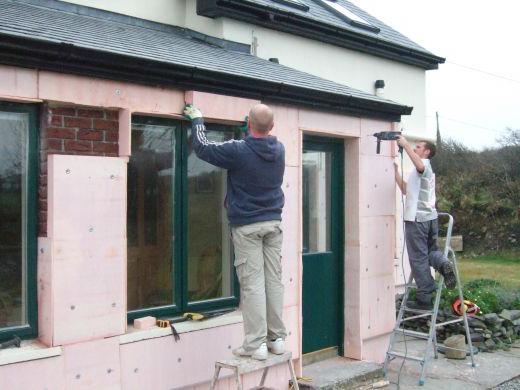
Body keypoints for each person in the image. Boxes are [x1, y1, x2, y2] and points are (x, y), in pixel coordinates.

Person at [183, 103, 286, 360]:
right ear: (272, 127)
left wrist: (197, 121)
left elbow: (203, 147)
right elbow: (257, 146)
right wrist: (250, 130)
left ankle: (255, 345)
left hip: (248, 227)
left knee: (252, 286)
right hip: (273, 224)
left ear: (249, 124)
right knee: (273, 281)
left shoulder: (239, 150)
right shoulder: (280, 149)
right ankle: (277, 339)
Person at [394, 136, 456, 310]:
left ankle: (424, 297)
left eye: (418, 147)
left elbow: (420, 165)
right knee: (430, 251)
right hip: (429, 218)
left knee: (418, 257)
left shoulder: (425, 165)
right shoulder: (420, 172)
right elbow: (406, 190)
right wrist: (395, 173)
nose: (415, 149)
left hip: (417, 219)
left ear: (427, 152)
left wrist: (405, 144)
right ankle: (442, 263)